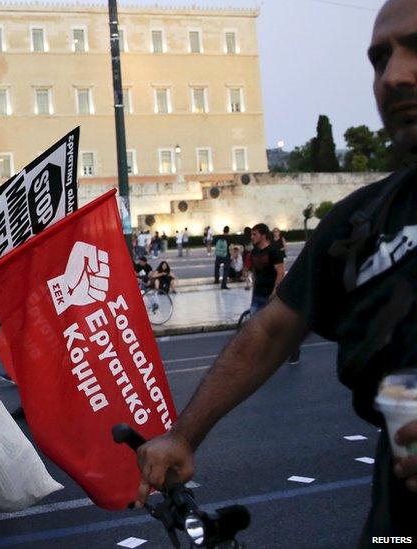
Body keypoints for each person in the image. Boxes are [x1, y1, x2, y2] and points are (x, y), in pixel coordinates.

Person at [135, 4, 417, 541]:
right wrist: (183, 436)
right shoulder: (361, 222)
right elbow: (269, 331)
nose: (394, 75)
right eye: (380, 59)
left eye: (416, 47)